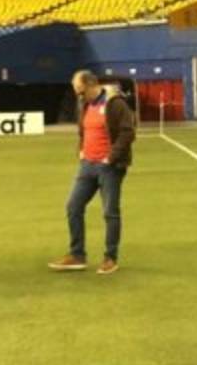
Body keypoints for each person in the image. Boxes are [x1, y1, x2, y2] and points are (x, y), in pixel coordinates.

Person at [50, 71, 136, 275]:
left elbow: (128, 132)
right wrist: (81, 151)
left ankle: (110, 258)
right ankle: (77, 255)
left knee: (110, 213)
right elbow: (84, 130)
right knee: (73, 206)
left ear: (91, 84)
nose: (79, 96)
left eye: (80, 91)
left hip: (109, 168)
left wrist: (111, 157)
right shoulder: (86, 104)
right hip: (87, 165)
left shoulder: (115, 103)